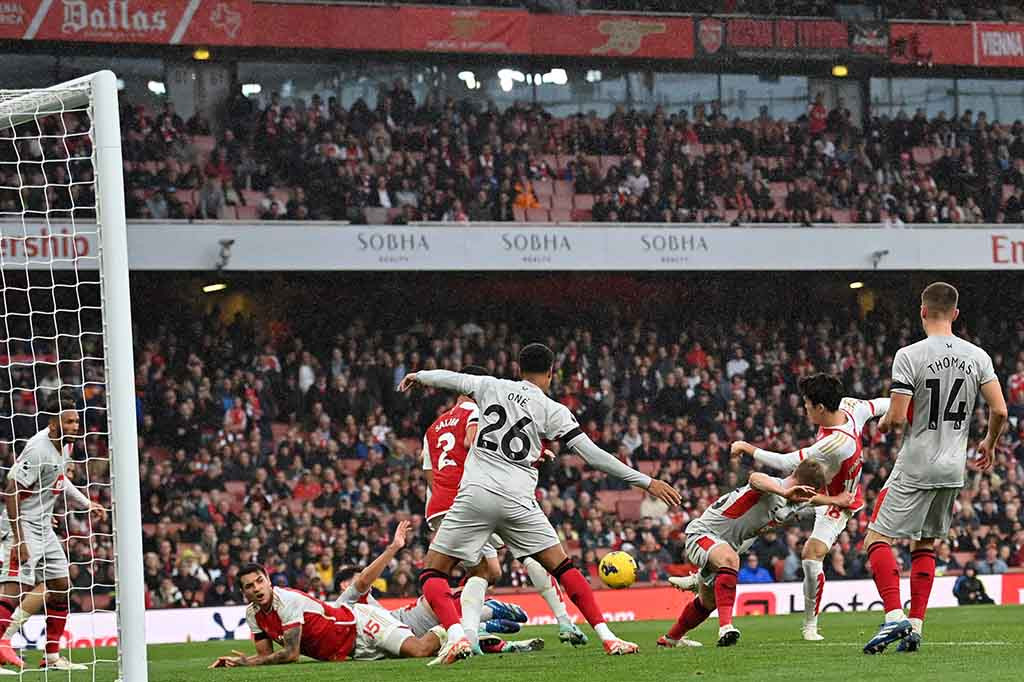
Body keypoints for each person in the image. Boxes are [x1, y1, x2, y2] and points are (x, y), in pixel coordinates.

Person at [398, 344, 681, 663]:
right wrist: (646, 481)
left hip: (474, 495)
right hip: (518, 500)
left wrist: (419, 375)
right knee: (562, 567)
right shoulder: (554, 410)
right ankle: (608, 636)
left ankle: (457, 636)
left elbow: (450, 378)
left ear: (517, 368)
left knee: (433, 574)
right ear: (550, 372)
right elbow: (593, 456)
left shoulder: (490, 385)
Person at [863, 282, 1008, 654]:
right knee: (925, 542)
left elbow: (895, 419)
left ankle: (894, 615)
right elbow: (1000, 411)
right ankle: (916, 625)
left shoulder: (909, 355)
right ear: (956, 314)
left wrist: (881, 425)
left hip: (916, 462)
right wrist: (989, 444)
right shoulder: (978, 356)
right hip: (952, 467)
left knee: (876, 538)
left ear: (923, 311)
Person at [421, 365, 586, 649]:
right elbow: (474, 441)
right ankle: (562, 620)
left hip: (438, 504)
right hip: (474, 498)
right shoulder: (476, 412)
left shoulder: (434, 426)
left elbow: (428, 471)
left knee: (483, 570)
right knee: (531, 556)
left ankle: (469, 634)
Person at [732, 373, 889, 641]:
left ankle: (810, 626)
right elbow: (882, 404)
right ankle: (710, 565)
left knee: (811, 554)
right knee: (755, 509)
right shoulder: (851, 406)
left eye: (806, 404)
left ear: (820, 407)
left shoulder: (836, 444)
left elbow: (786, 462)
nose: (803, 408)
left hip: (838, 501)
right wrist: (900, 411)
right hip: (810, 488)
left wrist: (747, 447)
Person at [657, 459, 851, 649]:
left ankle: (671, 638)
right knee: (730, 559)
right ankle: (725, 627)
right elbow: (755, 478)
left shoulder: (793, 500)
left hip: (723, 545)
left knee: (708, 602)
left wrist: (835, 500)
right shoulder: (774, 486)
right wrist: (784, 491)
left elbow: (812, 500)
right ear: (806, 486)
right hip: (702, 535)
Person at [0, 401, 107, 672]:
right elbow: (11, 490)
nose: (74, 426)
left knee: (60, 584)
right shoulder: (38, 449)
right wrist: (20, 538)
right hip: (22, 526)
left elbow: (59, 478)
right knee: (15, 589)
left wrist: (86, 503)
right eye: (69, 421)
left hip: (44, 526)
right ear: (52, 424)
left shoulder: (67, 446)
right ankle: (3, 642)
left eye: (76, 421)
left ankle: (51, 656)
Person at [332, 520, 543, 656]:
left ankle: (487, 612)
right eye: (356, 575)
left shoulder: (349, 607)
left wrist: (394, 547)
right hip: (406, 638)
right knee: (458, 644)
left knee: (489, 575)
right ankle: (491, 633)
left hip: (410, 620)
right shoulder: (343, 609)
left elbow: (363, 582)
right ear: (343, 584)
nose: (363, 577)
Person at [208, 562, 445, 668]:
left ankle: (454, 627)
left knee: (419, 652)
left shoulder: (286, 601)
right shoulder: (253, 614)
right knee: (417, 655)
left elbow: (291, 655)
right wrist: (243, 663)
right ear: (243, 592)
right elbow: (266, 657)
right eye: (250, 586)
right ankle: (457, 638)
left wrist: (246, 663)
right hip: (352, 650)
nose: (257, 588)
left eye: (260, 581)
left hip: (360, 623)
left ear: (269, 581)